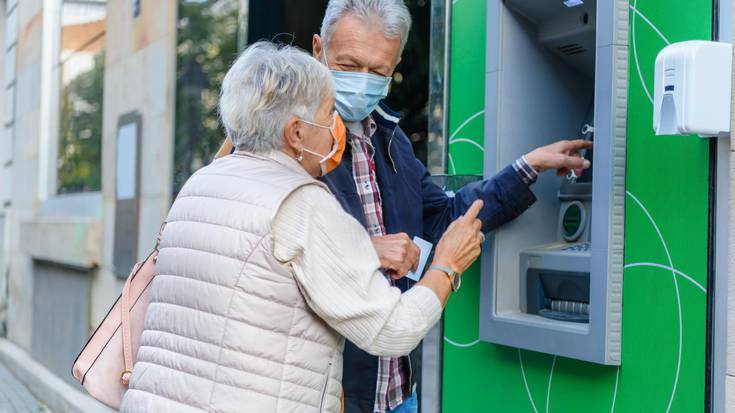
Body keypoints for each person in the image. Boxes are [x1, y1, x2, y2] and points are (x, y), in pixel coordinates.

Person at [216, 2, 592, 412]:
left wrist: (526, 168)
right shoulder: (280, 138)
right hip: (330, 397)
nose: (362, 81)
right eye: (349, 64)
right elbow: (237, 246)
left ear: (395, 64)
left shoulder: (391, 141)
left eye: (377, 71)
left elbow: (442, 219)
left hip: (397, 394)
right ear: (318, 49)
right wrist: (365, 249)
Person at [120, 42, 485, 413]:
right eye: (329, 115)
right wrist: (447, 264)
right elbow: (392, 329)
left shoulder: (199, 185)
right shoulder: (303, 203)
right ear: (296, 133)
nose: (337, 128)